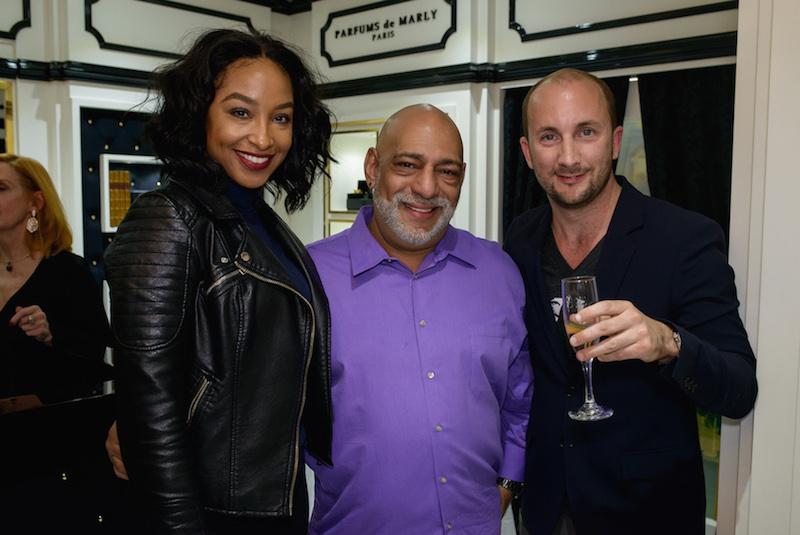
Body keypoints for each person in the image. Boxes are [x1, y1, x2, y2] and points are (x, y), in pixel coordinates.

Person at [503, 68, 758, 535]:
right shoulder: (520, 237)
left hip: (646, 511)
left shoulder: (684, 238)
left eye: (586, 132)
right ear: (527, 152)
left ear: (615, 141)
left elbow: (739, 390)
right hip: (542, 507)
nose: (568, 156)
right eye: (549, 136)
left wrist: (668, 343)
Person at [103, 28, 333, 534]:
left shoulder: (263, 222)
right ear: (198, 113)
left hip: (273, 497)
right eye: (240, 112)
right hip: (210, 512)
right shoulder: (168, 218)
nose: (263, 138)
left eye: (281, 118)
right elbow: (150, 412)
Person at [305, 104, 533, 534]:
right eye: (407, 165)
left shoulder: (499, 271)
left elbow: (518, 400)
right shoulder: (308, 278)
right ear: (373, 167)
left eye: (446, 171)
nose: (427, 187)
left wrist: (508, 482)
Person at [0, 153, 110, 405]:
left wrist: (50, 335)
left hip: (46, 422)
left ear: (35, 202)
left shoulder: (67, 270)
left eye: (1, 188)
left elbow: (93, 354)